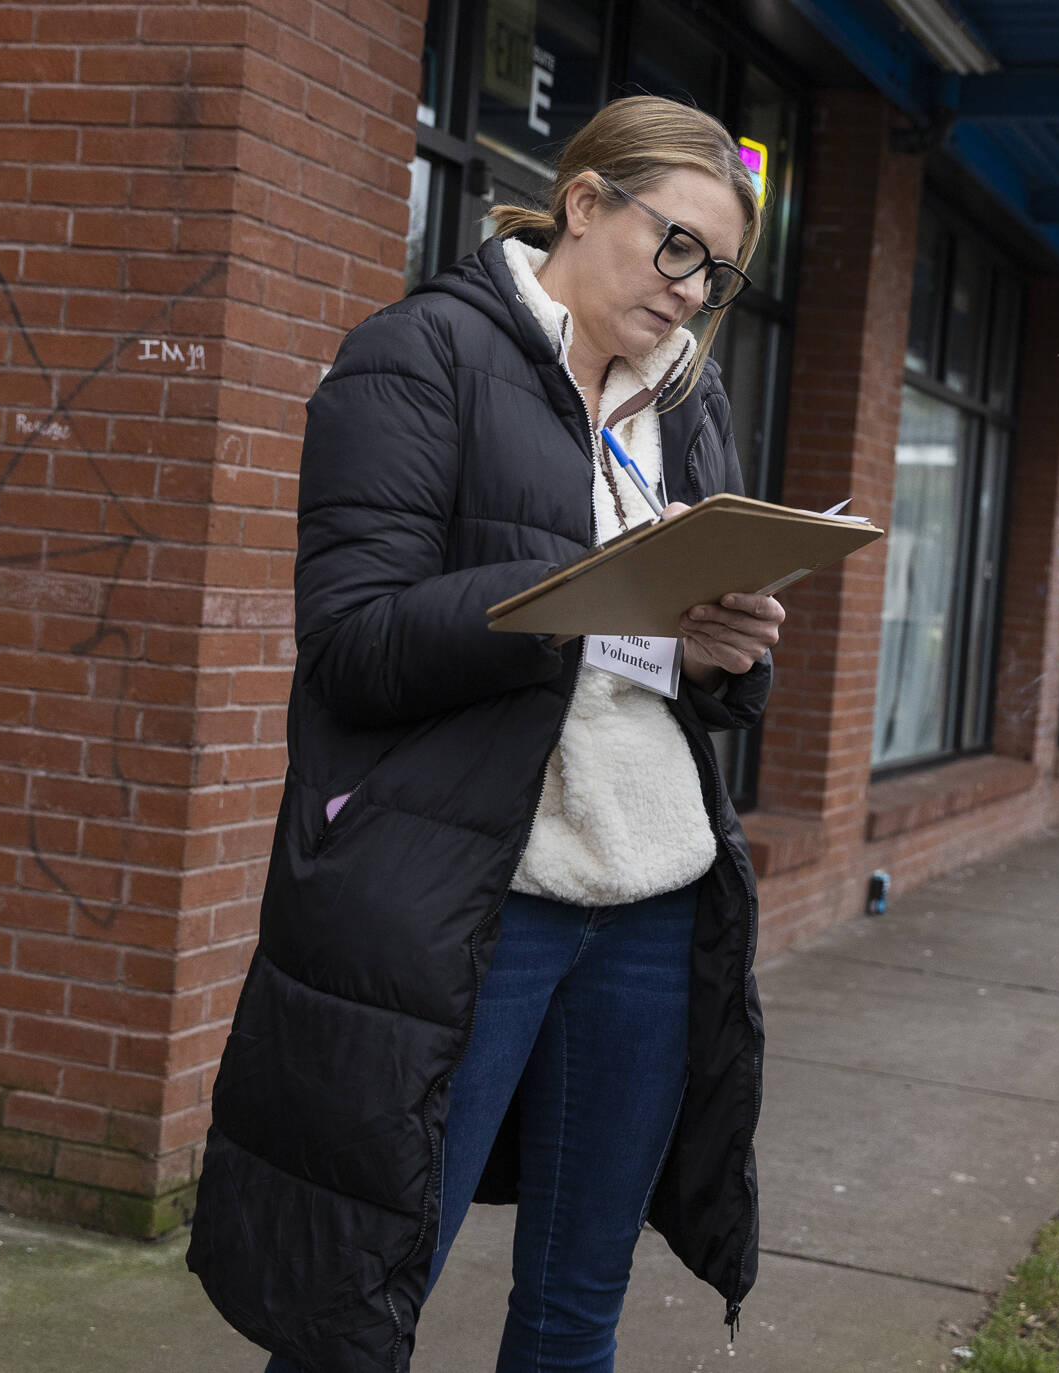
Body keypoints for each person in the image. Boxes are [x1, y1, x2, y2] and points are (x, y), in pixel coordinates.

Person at [187, 96, 784, 1373]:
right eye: (675, 246)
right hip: (475, 901)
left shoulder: (684, 402)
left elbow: (677, 682)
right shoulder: (420, 356)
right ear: (582, 202)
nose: (691, 294)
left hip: (654, 893)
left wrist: (718, 654)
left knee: (577, 1310)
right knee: (356, 1306)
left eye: (717, 274)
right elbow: (353, 639)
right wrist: (578, 593)